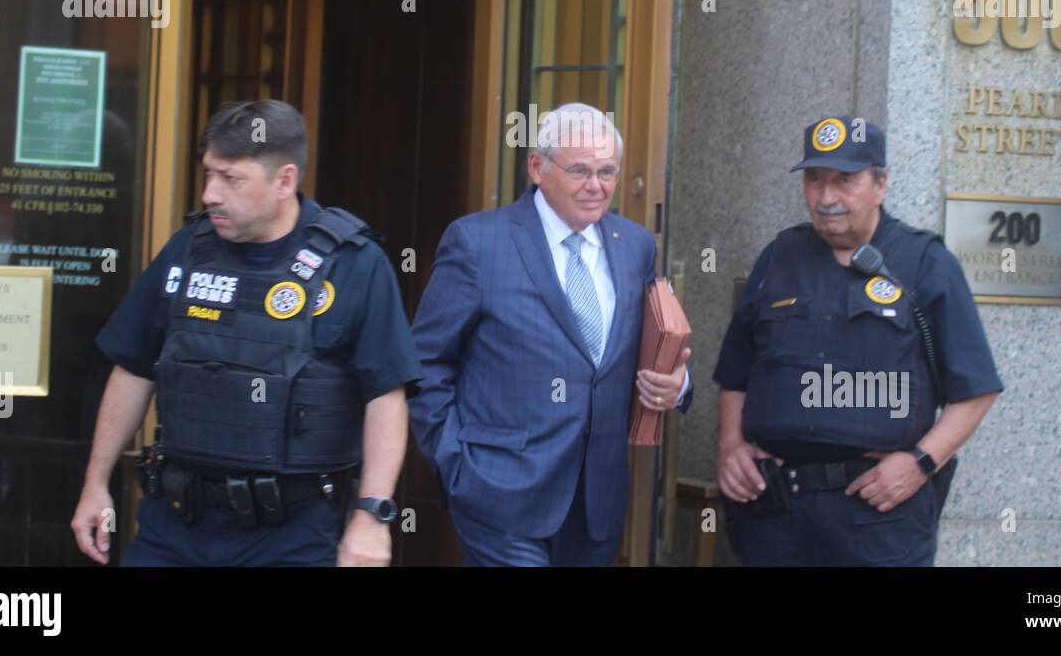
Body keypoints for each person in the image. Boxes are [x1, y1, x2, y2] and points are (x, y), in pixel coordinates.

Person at [70, 100, 421, 566]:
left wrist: (372, 517)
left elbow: (385, 394)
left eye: (230, 178)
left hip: (292, 532)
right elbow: (134, 366)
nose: (211, 194)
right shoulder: (187, 250)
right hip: (176, 523)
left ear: (284, 181)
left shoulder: (353, 264)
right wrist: (96, 483)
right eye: (208, 174)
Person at [409, 103, 691, 566]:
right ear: (537, 167)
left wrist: (678, 384)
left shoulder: (635, 245)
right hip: (500, 491)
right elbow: (424, 363)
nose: (596, 186)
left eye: (607, 171)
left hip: (595, 500)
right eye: (580, 170)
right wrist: (456, 461)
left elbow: (644, 343)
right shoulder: (478, 243)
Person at [714, 115, 1002, 566]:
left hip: (878, 513)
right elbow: (735, 372)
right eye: (814, 180)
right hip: (775, 511)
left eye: (844, 181)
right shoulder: (779, 257)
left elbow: (977, 390)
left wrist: (921, 464)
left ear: (880, 185)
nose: (826, 198)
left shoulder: (924, 263)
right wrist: (730, 446)